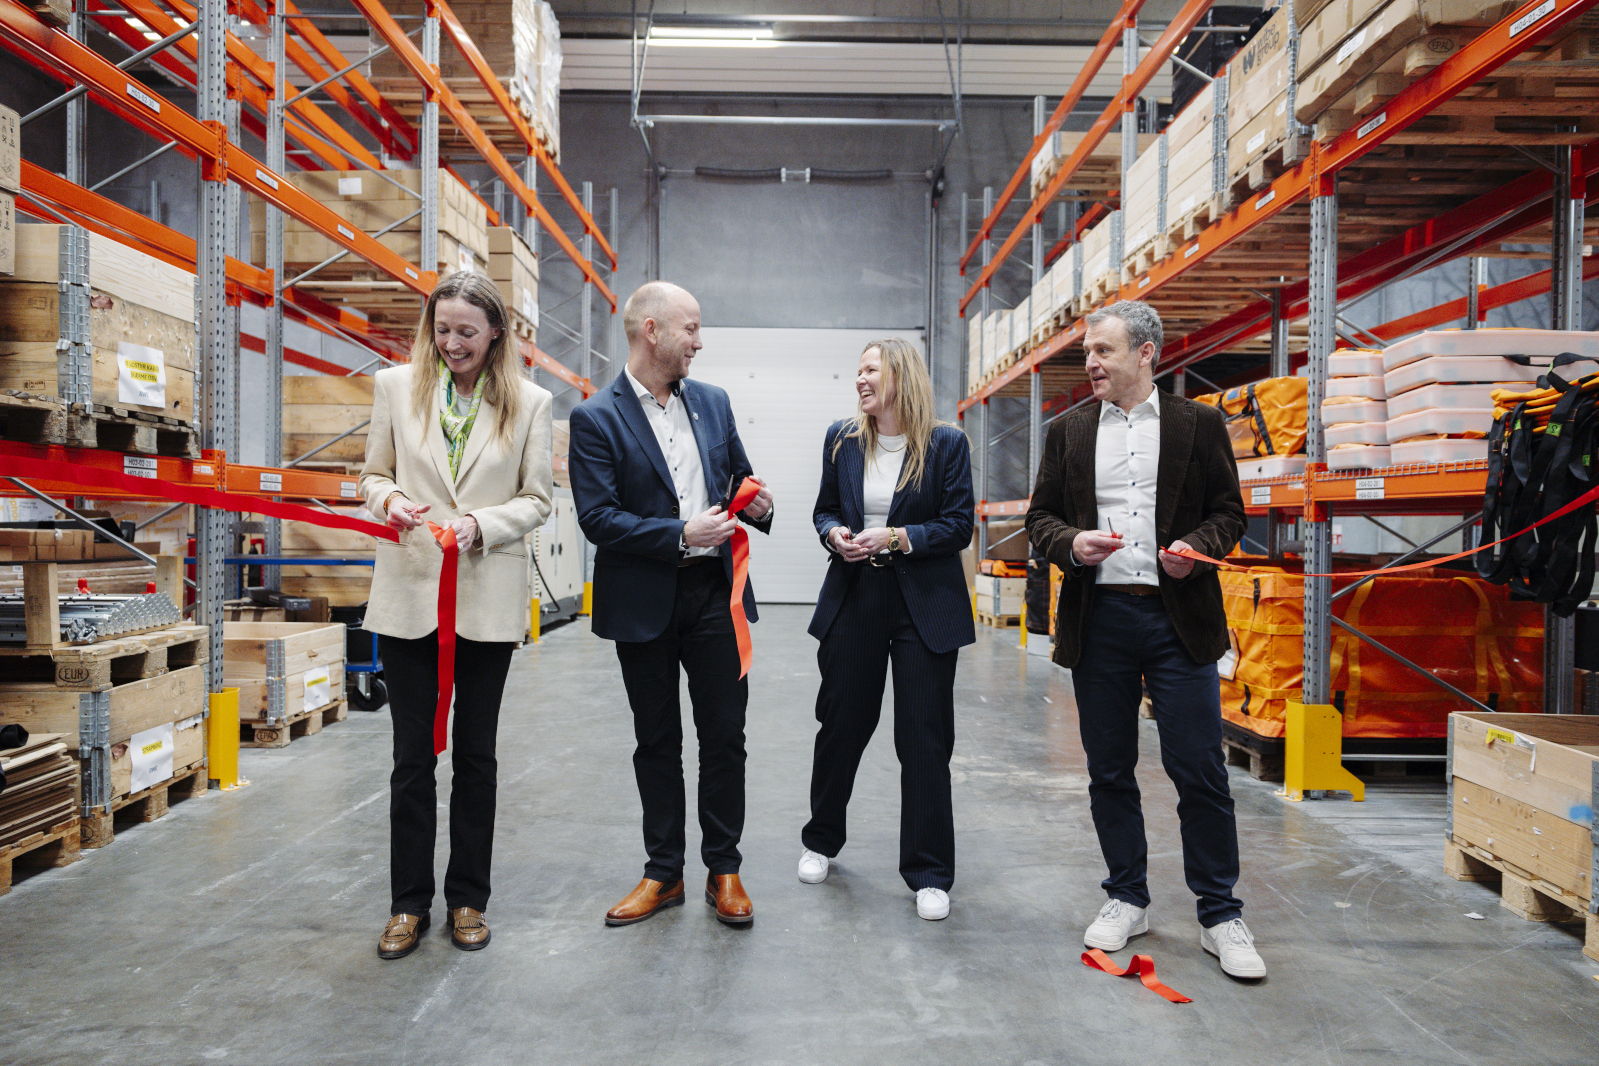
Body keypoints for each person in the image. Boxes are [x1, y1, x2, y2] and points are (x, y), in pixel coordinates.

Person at [1023, 300, 1265, 979]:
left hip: (1175, 620)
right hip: (1098, 621)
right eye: (1087, 354)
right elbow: (1039, 518)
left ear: (1145, 353)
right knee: (1108, 769)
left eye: (1103, 351)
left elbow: (1229, 512)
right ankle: (1126, 896)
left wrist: (1196, 546)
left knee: (1199, 769)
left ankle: (1219, 912)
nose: (1091, 364)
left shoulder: (1199, 424)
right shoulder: (1068, 432)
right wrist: (1073, 543)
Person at [359, 271, 554, 959]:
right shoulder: (393, 388)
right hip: (410, 595)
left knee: (476, 757)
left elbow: (537, 499)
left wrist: (481, 524)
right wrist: (390, 505)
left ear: (495, 332)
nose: (451, 344)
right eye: (441, 330)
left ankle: (467, 898)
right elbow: (371, 477)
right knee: (411, 759)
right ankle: (407, 905)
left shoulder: (530, 404)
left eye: (466, 332)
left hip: (484, 601)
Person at [568, 281, 774, 928]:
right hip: (644, 601)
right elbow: (598, 519)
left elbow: (739, 475)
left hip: (716, 593)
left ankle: (724, 868)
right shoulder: (595, 418)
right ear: (650, 330)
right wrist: (677, 535)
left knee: (724, 737)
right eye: (690, 328)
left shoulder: (711, 402)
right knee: (655, 740)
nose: (699, 341)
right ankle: (664, 873)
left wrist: (758, 504)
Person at [800, 338, 975, 921]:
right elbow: (824, 509)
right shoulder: (843, 439)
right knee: (841, 724)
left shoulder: (946, 443)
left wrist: (899, 537)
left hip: (923, 602)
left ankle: (928, 872)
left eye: (870, 369)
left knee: (924, 737)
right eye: (857, 370)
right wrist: (834, 537)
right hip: (856, 595)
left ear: (901, 374)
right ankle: (821, 840)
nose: (860, 379)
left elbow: (957, 526)